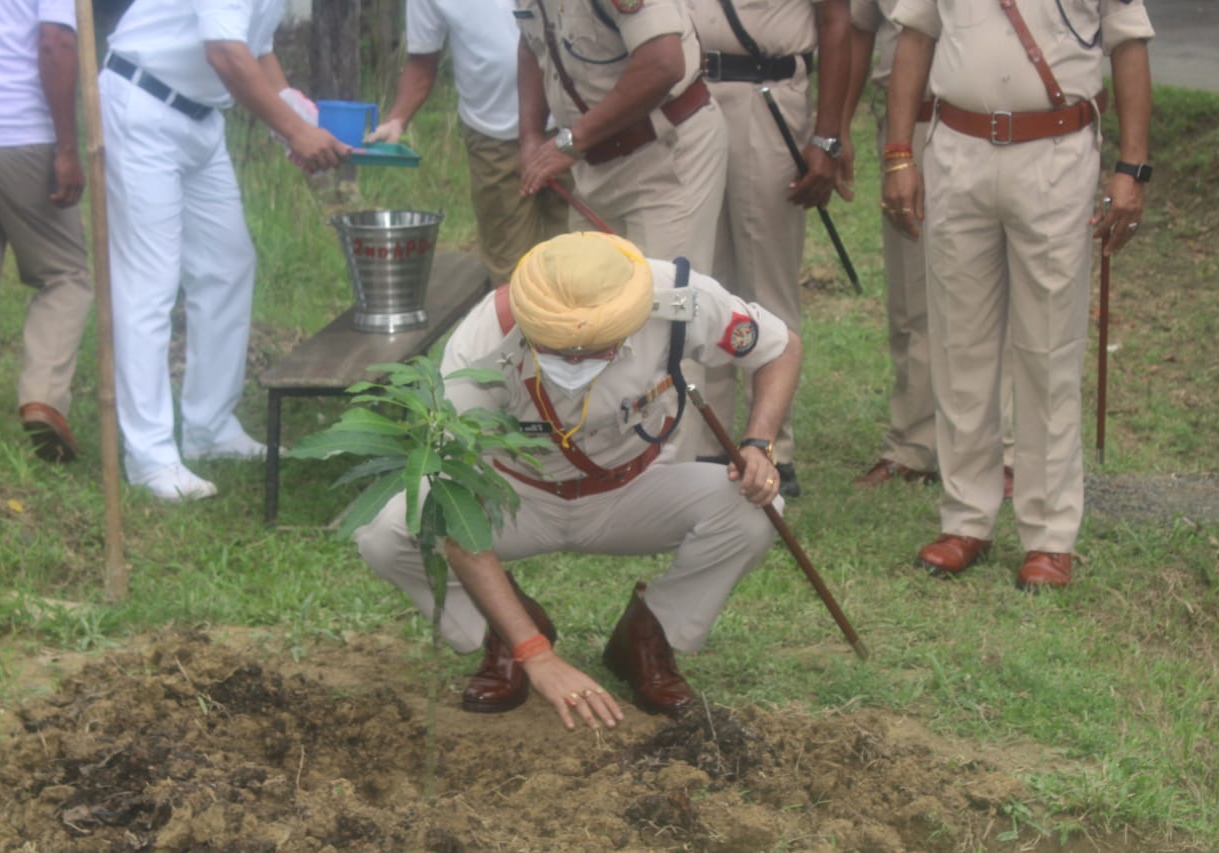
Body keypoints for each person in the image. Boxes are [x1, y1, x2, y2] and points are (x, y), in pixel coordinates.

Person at [355, 232, 802, 730]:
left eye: (592, 350)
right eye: (557, 350)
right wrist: (536, 654)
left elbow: (778, 347)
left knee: (755, 511)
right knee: (388, 533)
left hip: (634, 488)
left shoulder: (677, 299)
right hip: (515, 496)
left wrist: (759, 443)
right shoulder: (483, 341)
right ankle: (504, 632)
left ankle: (648, 637)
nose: (573, 364)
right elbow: (456, 507)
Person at [882, 0, 1153, 588]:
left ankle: (1051, 535)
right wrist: (898, 153)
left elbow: (1129, 46)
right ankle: (965, 518)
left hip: (1055, 152)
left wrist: (1132, 166)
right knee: (959, 343)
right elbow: (914, 39)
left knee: (1049, 349)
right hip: (957, 148)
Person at [100, 0, 350, 501]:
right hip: (143, 104)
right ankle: (149, 457)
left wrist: (292, 116)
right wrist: (297, 131)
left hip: (199, 119)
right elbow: (224, 53)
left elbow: (256, 49)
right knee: (150, 283)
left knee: (228, 265)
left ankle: (209, 427)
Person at [688, 0, 851, 494]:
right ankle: (708, 444)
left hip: (768, 95)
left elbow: (835, 20)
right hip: (692, 98)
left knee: (766, 283)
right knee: (702, 279)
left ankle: (773, 445)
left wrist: (826, 138)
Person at [0, 0, 94, 463]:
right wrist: (66, 147)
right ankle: (43, 397)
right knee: (65, 276)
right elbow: (55, 42)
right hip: (19, 132)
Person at [513, 0, 728, 276]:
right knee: (590, 297)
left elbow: (663, 63)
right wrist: (530, 134)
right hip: (592, 166)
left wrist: (571, 143)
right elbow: (532, 41)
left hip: (664, 155)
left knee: (660, 301)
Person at [365, 0, 568, 286]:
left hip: (568, 126)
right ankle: (525, 329)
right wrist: (397, 118)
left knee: (579, 257)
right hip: (493, 139)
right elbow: (422, 65)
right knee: (514, 274)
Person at [840, 0, 938, 488]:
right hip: (908, 126)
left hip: (997, 124)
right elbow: (860, 28)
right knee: (911, 291)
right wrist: (838, 126)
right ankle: (914, 443)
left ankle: (1004, 450)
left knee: (997, 290)